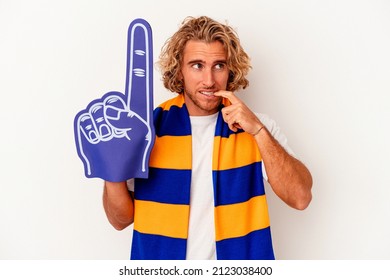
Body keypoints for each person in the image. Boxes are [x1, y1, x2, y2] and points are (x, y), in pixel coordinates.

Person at [102, 16, 312, 260]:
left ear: (231, 69)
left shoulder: (258, 127)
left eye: (219, 65)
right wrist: (111, 169)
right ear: (179, 70)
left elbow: (300, 198)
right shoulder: (147, 129)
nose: (209, 80)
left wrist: (258, 131)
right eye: (197, 65)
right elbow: (120, 220)